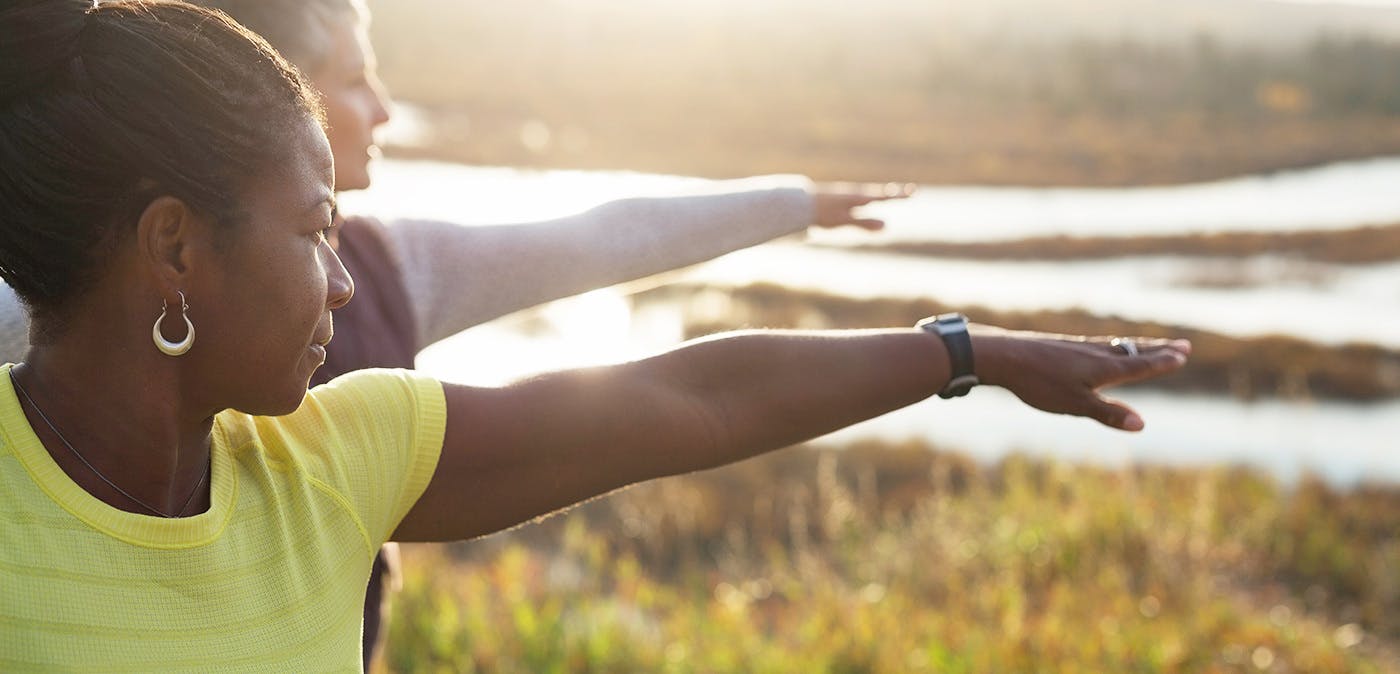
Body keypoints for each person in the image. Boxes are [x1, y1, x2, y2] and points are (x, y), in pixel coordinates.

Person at [0, 1, 1190, 671]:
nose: (338, 281)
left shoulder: (333, 458)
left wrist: (965, 350)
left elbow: (692, 401)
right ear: (174, 249)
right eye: (315, 229)